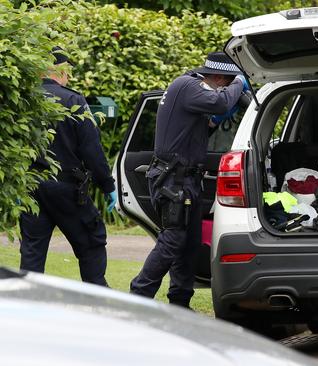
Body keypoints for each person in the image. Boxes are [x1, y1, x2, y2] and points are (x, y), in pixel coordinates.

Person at [130, 51, 249, 308]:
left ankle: (180, 304)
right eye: (227, 84)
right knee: (173, 239)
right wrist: (239, 83)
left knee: (189, 245)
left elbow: (201, 126)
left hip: (187, 180)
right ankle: (138, 298)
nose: (228, 89)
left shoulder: (193, 91)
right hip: (173, 180)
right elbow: (219, 103)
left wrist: (216, 121)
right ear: (218, 77)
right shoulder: (187, 85)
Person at [19, 47, 117, 286]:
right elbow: (91, 150)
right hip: (67, 188)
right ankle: (97, 296)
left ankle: (26, 304)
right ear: (60, 70)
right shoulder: (73, 100)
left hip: (31, 187)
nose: (69, 78)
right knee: (92, 241)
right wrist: (107, 185)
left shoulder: (24, 99)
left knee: (32, 251)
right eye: (68, 72)